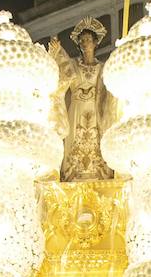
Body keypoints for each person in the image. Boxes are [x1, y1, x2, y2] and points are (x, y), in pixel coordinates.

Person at [49, 18, 117, 182]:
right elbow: (63, 70)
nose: (85, 43)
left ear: (95, 43)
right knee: (75, 137)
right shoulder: (73, 65)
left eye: (88, 40)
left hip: (96, 110)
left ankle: (98, 172)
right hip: (77, 110)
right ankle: (74, 171)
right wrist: (57, 52)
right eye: (82, 40)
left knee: (96, 138)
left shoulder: (102, 67)